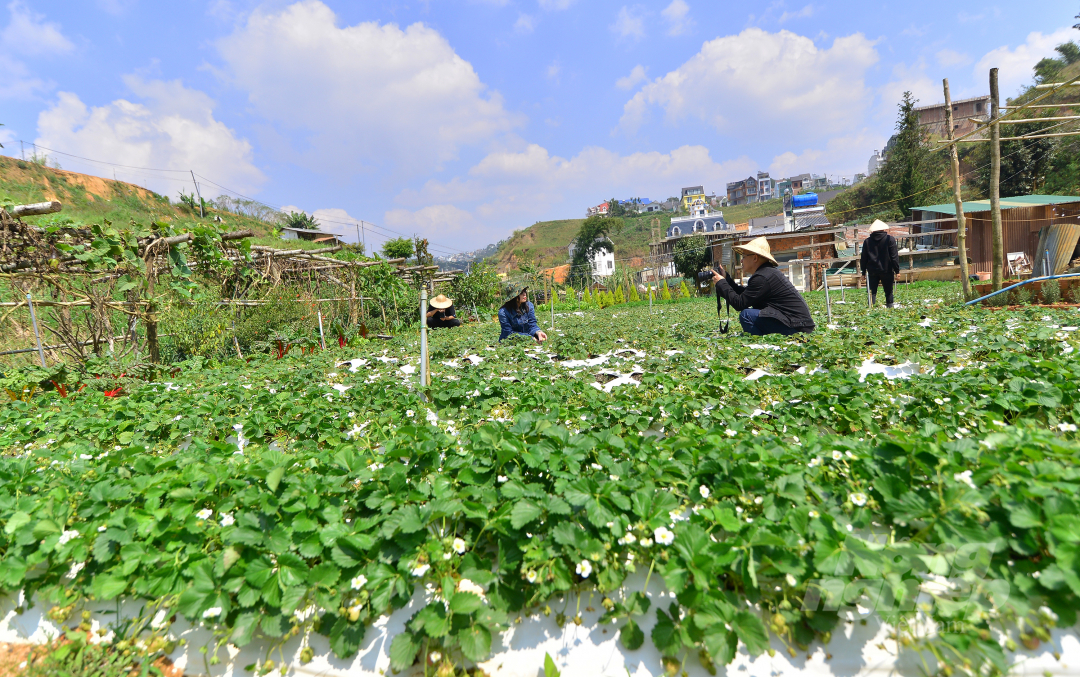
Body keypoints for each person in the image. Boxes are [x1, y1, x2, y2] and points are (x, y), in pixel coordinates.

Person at [711, 236, 815, 336]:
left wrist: (721, 284)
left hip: (797, 327)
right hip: (798, 324)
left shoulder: (762, 277)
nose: (741, 261)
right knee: (748, 313)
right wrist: (727, 280)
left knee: (746, 315)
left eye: (744, 257)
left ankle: (760, 342)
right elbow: (745, 295)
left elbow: (740, 303)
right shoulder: (766, 273)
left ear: (755, 258)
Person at [860, 220, 901, 308]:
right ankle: (890, 307)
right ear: (883, 229)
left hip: (872, 270)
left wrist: (863, 272)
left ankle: (871, 309)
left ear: (873, 230)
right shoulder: (890, 239)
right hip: (887, 269)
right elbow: (894, 257)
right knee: (888, 291)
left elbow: (863, 258)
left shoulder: (867, 241)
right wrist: (897, 271)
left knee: (872, 292)